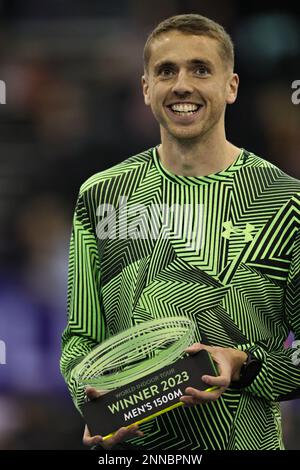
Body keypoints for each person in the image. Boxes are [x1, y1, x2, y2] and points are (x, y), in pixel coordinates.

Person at [60, 13, 300, 450]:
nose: (182, 85)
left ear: (232, 86)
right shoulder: (102, 195)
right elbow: (82, 338)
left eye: (201, 69)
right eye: (166, 71)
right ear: (146, 88)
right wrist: (94, 405)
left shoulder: (284, 201)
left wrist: (245, 365)